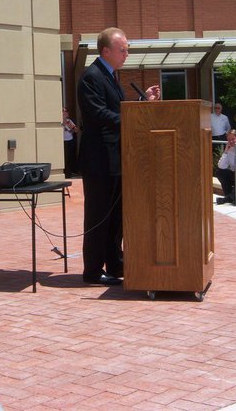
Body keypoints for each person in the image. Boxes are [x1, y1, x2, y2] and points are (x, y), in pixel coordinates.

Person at [77, 27, 160, 286]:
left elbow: (116, 111)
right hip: (99, 160)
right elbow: (99, 115)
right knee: (98, 216)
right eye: (122, 50)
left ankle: (114, 265)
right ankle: (92, 271)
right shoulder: (91, 77)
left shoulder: (110, 75)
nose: (127, 54)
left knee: (116, 218)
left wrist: (141, 104)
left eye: (127, 49)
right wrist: (133, 118)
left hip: (117, 159)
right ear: (106, 51)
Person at [62, 107, 79, 178]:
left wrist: (71, 129)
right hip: (62, 141)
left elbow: (76, 130)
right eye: (63, 111)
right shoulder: (59, 122)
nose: (64, 113)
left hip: (69, 140)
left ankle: (69, 173)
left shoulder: (69, 121)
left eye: (66, 111)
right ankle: (64, 172)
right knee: (64, 157)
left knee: (69, 157)